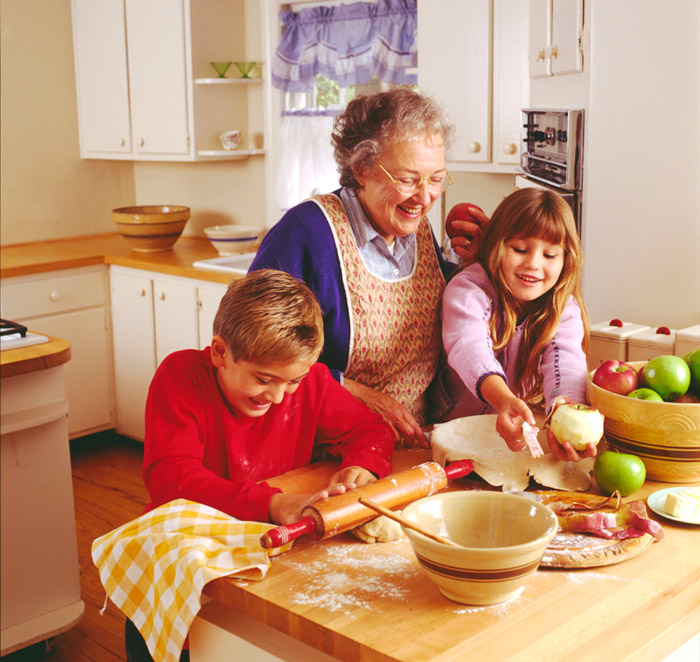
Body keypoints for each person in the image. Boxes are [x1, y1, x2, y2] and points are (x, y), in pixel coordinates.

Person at [125, 269, 396, 661]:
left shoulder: (312, 383)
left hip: (259, 558)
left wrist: (362, 467)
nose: (281, 397)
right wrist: (274, 504)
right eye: (264, 379)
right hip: (178, 566)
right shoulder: (180, 376)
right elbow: (171, 481)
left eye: (293, 382)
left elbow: (371, 428)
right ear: (220, 352)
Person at [249, 88, 488, 446]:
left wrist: (477, 264)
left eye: (436, 179)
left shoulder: (415, 225)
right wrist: (355, 393)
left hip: (412, 441)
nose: (424, 198)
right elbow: (255, 351)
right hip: (325, 446)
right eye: (408, 179)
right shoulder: (307, 231)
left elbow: (440, 312)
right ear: (361, 169)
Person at [439, 188, 594, 462]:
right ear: (497, 244)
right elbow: (469, 346)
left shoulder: (562, 307)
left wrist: (566, 415)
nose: (533, 263)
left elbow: (567, 362)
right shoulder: (468, 289)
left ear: (566, 259)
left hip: (509, 441)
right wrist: (503, 400)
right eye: (520, 249)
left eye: (549, 255)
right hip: (450, 434)